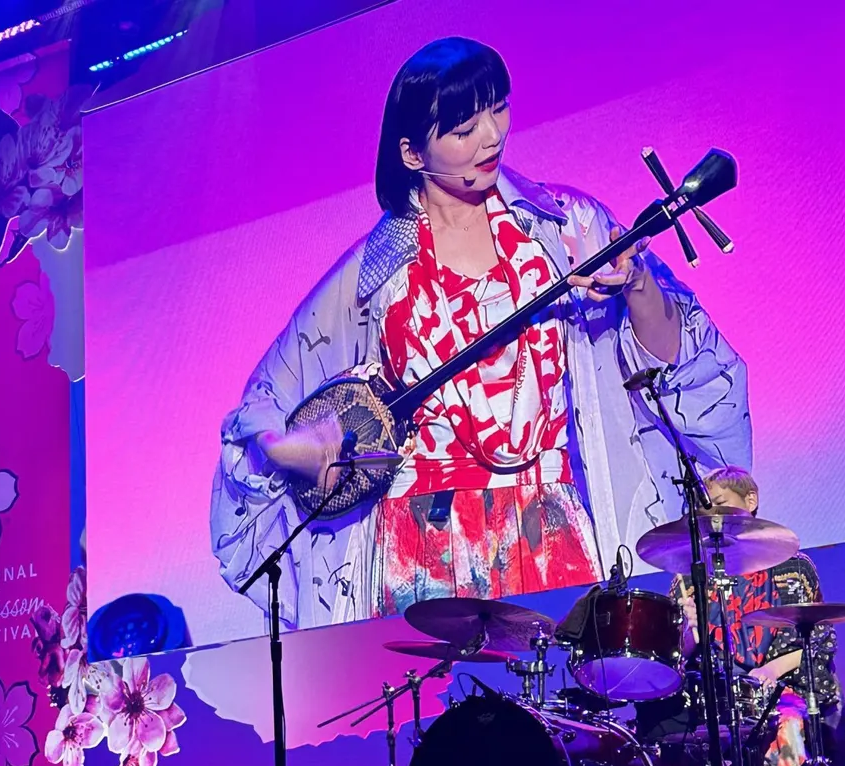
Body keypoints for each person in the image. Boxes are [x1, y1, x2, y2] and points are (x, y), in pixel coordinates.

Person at [210, 36, 750, 630]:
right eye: (465, 128)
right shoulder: (373, 277)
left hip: (548, 526)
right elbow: (261, 405)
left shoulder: (564, 227)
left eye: (500, 109)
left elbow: (683, 357)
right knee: (438, 717)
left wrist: (636, 281)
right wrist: (290, 449)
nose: (493, 136)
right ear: (413, 154)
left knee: (561, 710)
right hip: (418, 544)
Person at [655, 467, 845, 766]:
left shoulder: (792, 566)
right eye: (706, 513)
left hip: (785, 691)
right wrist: (686, 629)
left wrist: (771, 670)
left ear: (750, 501)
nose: (714, 520)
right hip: (721, 699)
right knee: (674, 742)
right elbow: (684, 655)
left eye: (721, 506)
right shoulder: (691, 578)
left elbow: (819, 639)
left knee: (784, 730)